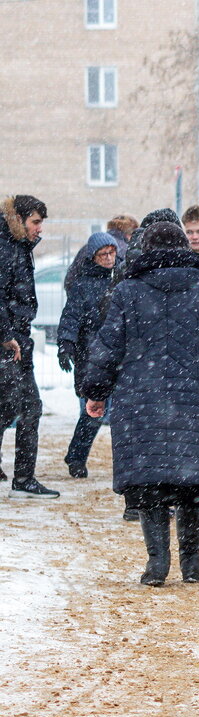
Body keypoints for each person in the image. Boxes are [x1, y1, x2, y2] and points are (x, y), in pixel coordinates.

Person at [81, 222, 199, 586]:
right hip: (197, 400)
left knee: (150, 485)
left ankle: (156, 565)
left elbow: (108, 348)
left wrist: (96, 392)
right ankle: (192, 564)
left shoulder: (127, 291)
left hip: (140, 400)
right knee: (191, 485)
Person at [0, 195, 59, 499]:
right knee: (27, 408)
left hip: (17, 339)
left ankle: (22, 477)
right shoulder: (6, 248)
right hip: (10, 342)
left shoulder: (16, 247)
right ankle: (23, 479)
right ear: (19, 220)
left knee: (10, 407)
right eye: (35, 222)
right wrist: (6, 334)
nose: (40, 229)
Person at [57, 231, 120, 477]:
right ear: (93, 257)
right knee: (94, 411)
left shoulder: (123, 277)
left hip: (119, 351)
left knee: (120, 410)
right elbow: (71, 316)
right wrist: (66, 344)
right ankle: (77, 456)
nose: (108, 258)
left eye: (111, 252)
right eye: (102, 254)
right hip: (92, 353)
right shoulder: (83, 284)